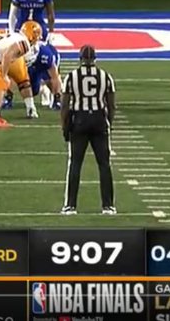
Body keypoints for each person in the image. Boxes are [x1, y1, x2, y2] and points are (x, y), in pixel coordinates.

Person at [60, 45, 117, 216]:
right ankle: (108, 206)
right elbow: (111, 104)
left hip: (80, 120)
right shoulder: (105, 76)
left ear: (80, 59)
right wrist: (109, 122)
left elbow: (64, 105)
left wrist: (64, 125)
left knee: (75, 163)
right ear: (95, 59)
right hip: (99, 120)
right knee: (104, 164)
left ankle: (71, 206)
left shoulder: (71, 77)